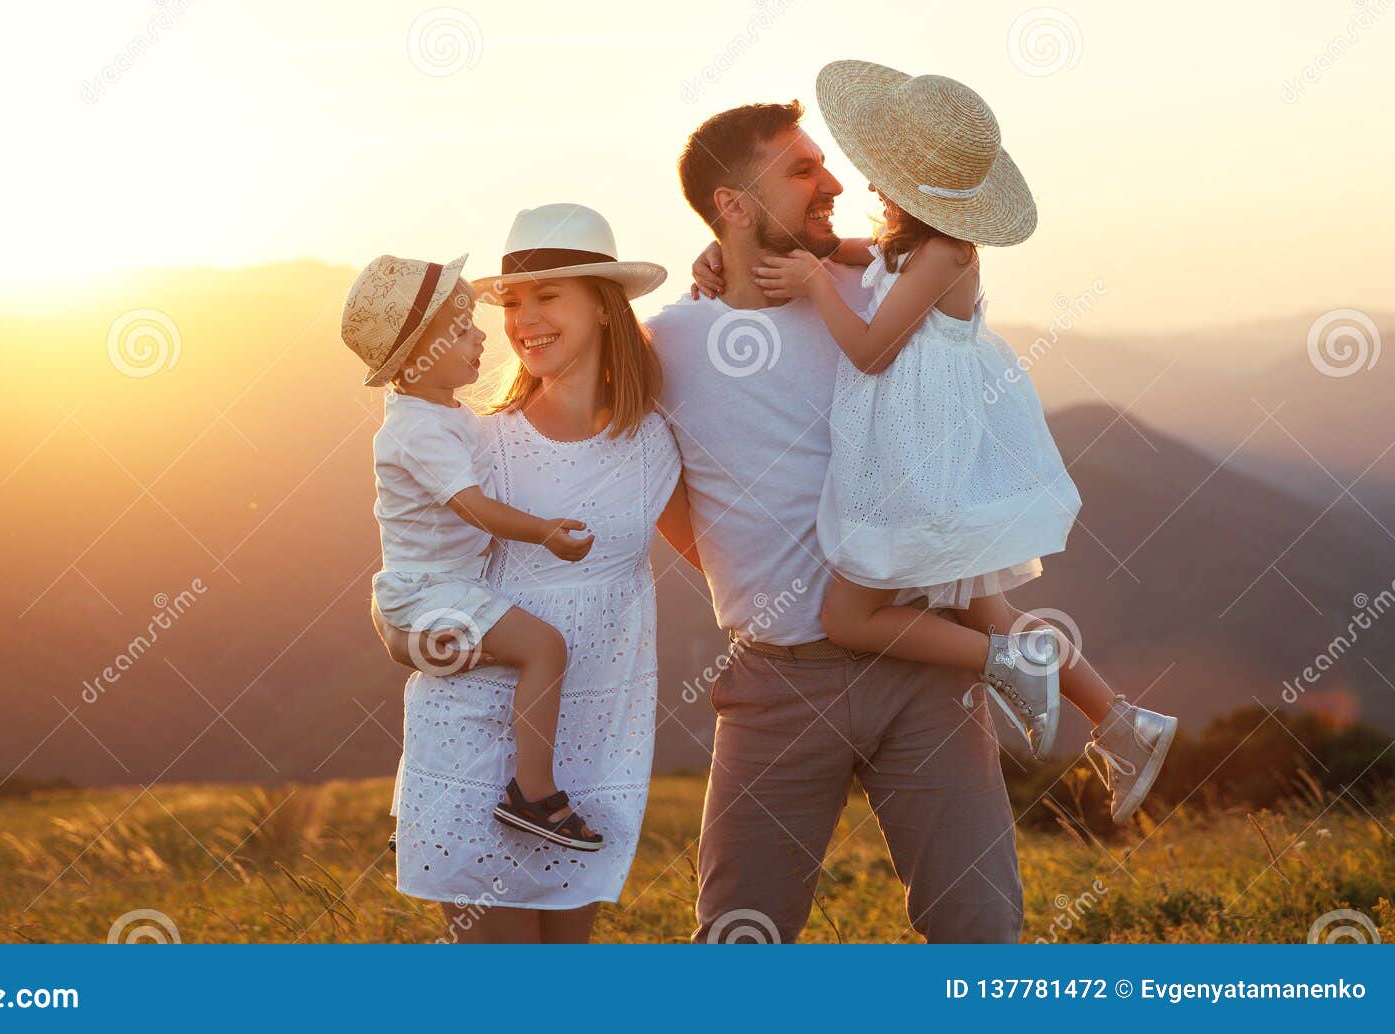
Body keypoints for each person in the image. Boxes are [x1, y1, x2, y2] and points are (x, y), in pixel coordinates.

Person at [693, 62, 1177, 824]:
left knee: (855, 617)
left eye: (874, 169)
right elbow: (834, 251)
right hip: (924, 457)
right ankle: (1122, 722)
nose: (860, 184)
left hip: (916, 468)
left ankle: (1013, 668)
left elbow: (872, 351)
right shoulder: (906, 245)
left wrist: (817, 287)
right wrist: (725, 254)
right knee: (988, 604)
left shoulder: (946, 252)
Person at [651, 98, 1024, 942]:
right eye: (802, 169)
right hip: (778, 684)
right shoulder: (671, 342)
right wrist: (742, 578)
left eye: (824, 164)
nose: (836, 183)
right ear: (732, 206)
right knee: (742, 942)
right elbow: (647, 490)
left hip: (924, 668)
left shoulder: (881, 287)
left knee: (981, 933)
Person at [372, 204, 695, 942]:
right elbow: (416, 570)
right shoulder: (484, 447)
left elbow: (717, 555)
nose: (523, 320)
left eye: (548, 296)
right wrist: (395, 628)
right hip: (479, 746)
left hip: (594, 736)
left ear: (604, 307)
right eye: (513, 302)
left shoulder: (655, 441)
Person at [343, 252, 605, 850]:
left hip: (433, 591)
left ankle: (431, 805)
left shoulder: (442, 414)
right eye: (461, 328)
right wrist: (542, 531)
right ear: (414, 359)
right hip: (429, 593)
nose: (482, 333)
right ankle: (534, 795)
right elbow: (472, 506)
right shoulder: (419, 430)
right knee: (545, 648)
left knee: (469, 679)